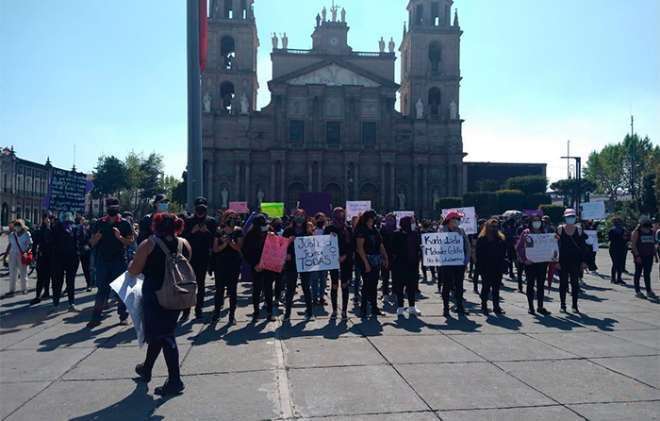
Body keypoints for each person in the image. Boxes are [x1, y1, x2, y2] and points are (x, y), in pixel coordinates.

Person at [129, 212, 188, 396]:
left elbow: (134, 271)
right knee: (160, 332)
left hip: (155, 296)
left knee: (164, 335)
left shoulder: (149, 244)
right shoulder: (184, 244)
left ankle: (175, 380)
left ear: (155, 226)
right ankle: (147, 368)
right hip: (177, 295)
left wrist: (133, 262)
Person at [87, 198, 133, 329]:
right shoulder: (100, 223)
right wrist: (96, 238)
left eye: (114, 205)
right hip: (103, 261)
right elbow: (91, 243)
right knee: (102, 290)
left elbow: (129, 242)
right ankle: (96, 317)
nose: (112, 208)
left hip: (118, 260)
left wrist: (120, 237)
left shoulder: (124, 224)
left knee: (120, 290)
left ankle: (123, 316)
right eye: (109, 206)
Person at [180, 197, 217, 322]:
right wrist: (192, 231)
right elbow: (182, 238)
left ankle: (198, 310)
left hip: (204, 256)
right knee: (188, 285)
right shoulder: (188, 221)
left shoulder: (211, 221)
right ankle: (186, 311)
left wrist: (207, 232)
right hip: (190, 257)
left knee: (201, 285)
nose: (201, 211)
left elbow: (215, 240)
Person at [242, 214, 277, 322]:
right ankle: (256, 312)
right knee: (256, 289)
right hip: (257, 266)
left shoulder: (270, 233)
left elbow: (277, 249)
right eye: (262, 225)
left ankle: (270, 312)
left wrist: (274, 238)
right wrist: (254, 264)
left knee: (268, 290)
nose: (265, 226)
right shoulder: (250, 235)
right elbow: (245, 251)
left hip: (268, 265)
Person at [354, 210, 389, 318]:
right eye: (374, 217)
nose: (375, 219)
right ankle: (363, 309)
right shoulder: (361, 230)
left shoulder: (374, 229)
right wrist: (366, 263)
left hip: (376, 260)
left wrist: (385, 257)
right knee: (366, 285)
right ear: (369, 218)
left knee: (374, 284)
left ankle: (374, 308)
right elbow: (360, 248)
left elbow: (380, 244)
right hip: (365, 260)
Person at [211, 210, 243, 324]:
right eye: (230, 217)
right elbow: (215, 249)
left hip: (234, 263)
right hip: (221, 263)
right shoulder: (219, 231)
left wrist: (231, 243)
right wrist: (224, 244)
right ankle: (216, 313)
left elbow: (239, 247)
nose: (232, 220)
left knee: (232, 290)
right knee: (219, 290)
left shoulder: (238, 231)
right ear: (225, 218)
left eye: (234, 218)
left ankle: (232, 315)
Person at [282, 209, 314, 322]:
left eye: (301, 215)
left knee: (306, 287)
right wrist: (288, 244)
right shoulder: (288, 230)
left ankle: (309, 312)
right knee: (290, 288)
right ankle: (287, 313)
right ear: (293, 217)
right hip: (291, 263)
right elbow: (281, 245)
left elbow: (314, 247)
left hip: (305, 262)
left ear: (305, 217)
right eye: (297, 215)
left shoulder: (308, 231)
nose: (299, 217)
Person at [516, 215, 551, 315]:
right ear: (531, 222)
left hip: (542, 264)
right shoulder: (526, 233)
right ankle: (531, 307)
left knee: (540, 286)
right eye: (534, 221)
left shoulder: (544, 233)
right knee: (530, 285)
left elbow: (549, 247)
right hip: (530, 264)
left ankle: (540, 307)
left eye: (538, 221)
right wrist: (524, 259)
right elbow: (519, 247)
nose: (537, 223)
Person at [439, 211, 471, 317]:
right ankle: (445, 308)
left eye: (458, 219)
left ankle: (460, 306)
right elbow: (436, 246)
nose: (458, 221)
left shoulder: (461, 231)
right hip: (446, 263)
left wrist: (466, 260)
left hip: (459, 263)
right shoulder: (441, 231)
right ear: (450, 221)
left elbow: (467, 246)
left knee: (459, 286)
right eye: (456, 219)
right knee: (447, 286)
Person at [556, 209, 588, 313]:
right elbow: (555, 246)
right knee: (563, 283)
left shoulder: (579, 230)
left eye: (572, 216)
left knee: (575, 283)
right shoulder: (560, 229)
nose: (571, 218)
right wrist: (556, 261)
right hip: (562, 261)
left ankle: (574, 305)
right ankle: (562, 305)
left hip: (575, 261)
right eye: (568, 217)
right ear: (564, 218)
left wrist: (583, 261)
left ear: (575, 218)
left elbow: (583, 247)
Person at [325, 207, 353, 320]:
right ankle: (335, 310)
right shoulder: (328, 229)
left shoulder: (349, 229)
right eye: (337, 216)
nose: (339, 219)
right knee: (334, 285)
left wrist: (345, 256)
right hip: (333, 261)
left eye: (342, 216)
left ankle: (344, 311)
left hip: (346, 261)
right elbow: (324, 244)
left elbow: (352, 245)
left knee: (345, 285)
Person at [391, 216, 422, 316]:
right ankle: (400, 307)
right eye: (412, 222)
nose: (414, 224)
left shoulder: (415, 233)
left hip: (413, 264)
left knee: (411, 286)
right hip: (400, 264)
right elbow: (393, 249)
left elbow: (418, 246)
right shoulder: (397, 234)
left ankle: (412, 306)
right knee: (400, 286)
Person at [476, 218, 507, 315]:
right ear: (487, 227)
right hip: (486, 267)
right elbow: (479, 254)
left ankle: (496, 306)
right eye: (492, 226)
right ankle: (484, 305)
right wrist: (480, 268)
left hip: (497, 266)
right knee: (486, 287)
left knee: (496, 288)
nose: (494, 228)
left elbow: (503, 253)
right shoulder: (482, 239)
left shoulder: (500, 238)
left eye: (496, 226)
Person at [51, 212, 80, 311]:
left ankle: (71, 303)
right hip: (58, 258)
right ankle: (56, 303)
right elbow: (51, 242)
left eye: (69, 218)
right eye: (65, 218)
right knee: (57, 282)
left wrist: (79, 252)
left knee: (70, 282)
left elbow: (78, 242)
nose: (67, 220)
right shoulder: (56, 228)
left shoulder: (75, 228)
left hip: (72, 259)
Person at [3, 219, 33, 297]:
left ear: (22, 226)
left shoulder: (27, 234)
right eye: (15, 225)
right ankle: (12, 290)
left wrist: (26, 252)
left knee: (23, 273)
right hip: (13, 255)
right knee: (12, 273)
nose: (17, 227)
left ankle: (24, 289)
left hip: (22, 255)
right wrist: (5, 256)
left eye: (18, 225)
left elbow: (30, 245)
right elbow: (9, 245)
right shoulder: (12, 235)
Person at [630, 216, 657, 299]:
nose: (647, 229)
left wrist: (655, 256)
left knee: (647, 274)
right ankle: (637, 291)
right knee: (638, 273)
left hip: (649, 256)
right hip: (639, 256)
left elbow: (653, 245)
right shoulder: (636, 232)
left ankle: (649, 291)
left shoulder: (652, 232)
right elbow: (633, 245)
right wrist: (637, 256)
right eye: (645, 228)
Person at [30, 213, 54, 304]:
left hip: (51, 257)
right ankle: (37, 296)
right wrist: (32, 255)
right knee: (40, 277)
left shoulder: (53, 230)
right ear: (43, 219)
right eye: (47, 218)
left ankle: (47, 292)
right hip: (42, 255)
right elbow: (35, 243)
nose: (48, 220)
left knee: (48, 276)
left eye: (50, 219)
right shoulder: (40, 230)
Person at [310, 212, 328, 306]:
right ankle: (314, 298)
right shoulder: (312, 230)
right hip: (314, 258)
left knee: (323, 279)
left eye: (323, 219)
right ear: (315, 220)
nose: (321, 221)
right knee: (314, 279)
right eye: (319, 219)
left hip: (324, 258)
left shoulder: (327, 230)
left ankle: (321, 297)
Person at [380, 213, 397, 300]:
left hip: (395, 256)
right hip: (384, 255)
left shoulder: (397, 230)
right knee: (385, 276)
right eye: (388, 219)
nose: (389, 221)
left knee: (395, 276)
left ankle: (394, 292)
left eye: (391, 219)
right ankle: (385, 293)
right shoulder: (382, 230)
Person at [75, 217, 94, 292]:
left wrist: (88, 245)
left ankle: (89, 285)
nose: (84, 221)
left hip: (85, 251)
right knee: (72, 270)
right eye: (82, 220)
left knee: (86, 269)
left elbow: (90, 239)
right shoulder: (74, 229)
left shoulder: (87, 229)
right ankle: (68, 287)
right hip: (76, 251)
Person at [608, 217, 628, 285]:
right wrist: (621, 237)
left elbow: (627, 238)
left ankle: (619, 278)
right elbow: (610, 239)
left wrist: (625, 237)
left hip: (622, 248)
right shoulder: (612, 230)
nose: (618, 223)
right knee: (615, 263)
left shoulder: (623, 230)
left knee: (620, 264)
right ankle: (613, 278)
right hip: (614, 249)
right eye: (617, 222)